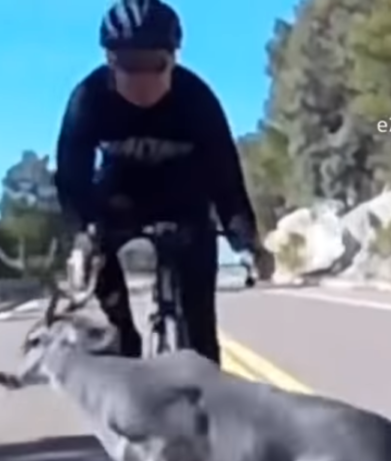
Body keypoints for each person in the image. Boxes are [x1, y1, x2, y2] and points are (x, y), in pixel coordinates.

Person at [53, 0, 272, 364]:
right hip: (119, 197)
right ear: (109, 61)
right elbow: (72, 176)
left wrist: (246, 240)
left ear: (174, 59)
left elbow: (225, 177)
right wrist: (81, 237)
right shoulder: (89, 99)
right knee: (103, 279)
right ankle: (125, 342)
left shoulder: (196, 99)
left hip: (183, 195)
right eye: (129, 64)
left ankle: (204, 393)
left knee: (201, 336)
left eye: (154, 64)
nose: (143, 79)